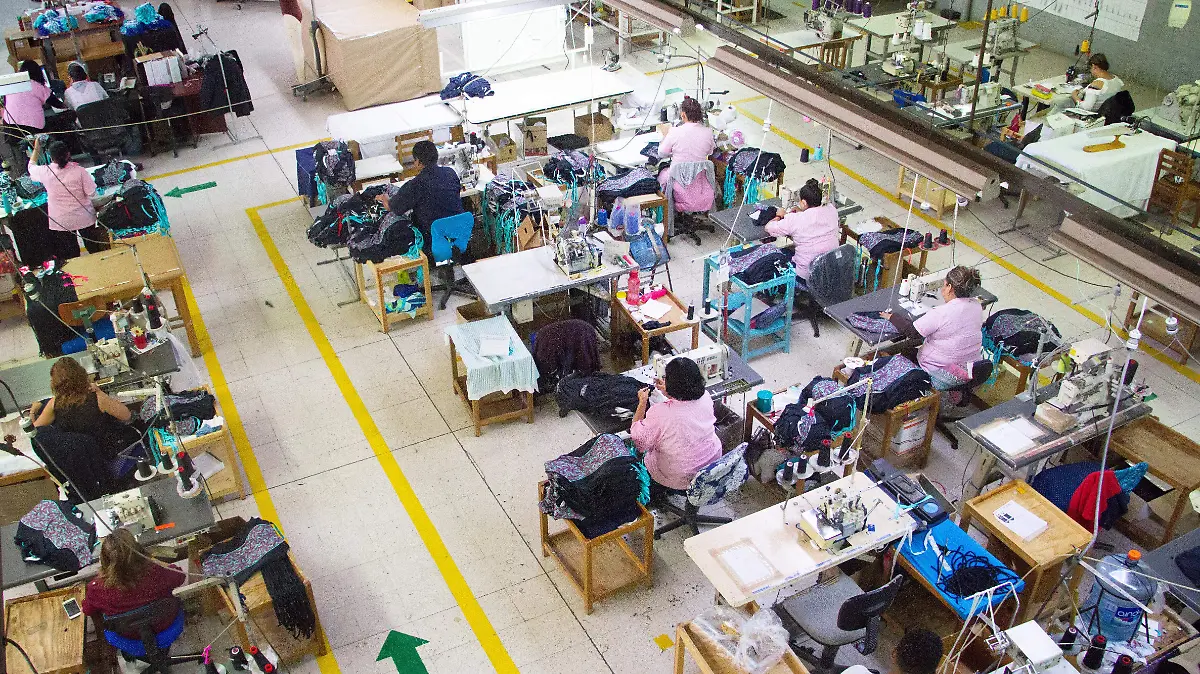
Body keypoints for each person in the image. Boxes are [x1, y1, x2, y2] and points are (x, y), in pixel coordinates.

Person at [883, 265, 984, 399]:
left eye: (944, 285)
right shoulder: (977, 306)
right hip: (969, 368)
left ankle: (914, 392)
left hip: (942, 373)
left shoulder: (941, 313)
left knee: (906, 353)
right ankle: (958, 391)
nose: (942, 289)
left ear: (950, 288)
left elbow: (912, 332)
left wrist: (892, 317)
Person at [631, 357, 722, 494]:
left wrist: (642, 402)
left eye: (666, 378)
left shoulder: (661, 413)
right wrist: (669, 393)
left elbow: (639, 441)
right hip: (711, 464)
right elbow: (685, 409)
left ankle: (657, 492)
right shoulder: (706, 397)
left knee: (644, 457)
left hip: (680, 477)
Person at [82, 528, 186, 637]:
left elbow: (87, 610)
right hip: (165, 627)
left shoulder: (97, 589)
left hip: (127, 637)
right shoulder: (157, 572)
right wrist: (152, 560)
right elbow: (180, 576)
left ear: (103, 559)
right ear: (138, 551)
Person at [30, 357, 135, 459]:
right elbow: (127, 415)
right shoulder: (97, 398)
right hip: (109, 454)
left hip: (82, 459)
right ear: (82, 375)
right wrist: (100, 392)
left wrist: (32, 413)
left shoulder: (54, 403)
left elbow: (34, 432)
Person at [376, 140, 463, 251]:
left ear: (418, 162)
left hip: (432, 237)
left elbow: (393, 208)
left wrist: (384, 197)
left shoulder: (415, 184)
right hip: (458, 230)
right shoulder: (450, 173)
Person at [28, 135, 103, 258]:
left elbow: (31, 166)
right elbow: (92, 193)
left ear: (50, 156)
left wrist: (37, 147)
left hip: (62, 221)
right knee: (95, 250)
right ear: (68, 154)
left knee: (71, 255)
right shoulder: (79, 171)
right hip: (84, 217)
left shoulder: (45, 172)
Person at [764, 178, 839, 280]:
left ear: (803, 202)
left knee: (774, 254)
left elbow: (769, 228)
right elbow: (813, 220)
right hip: (828, 270)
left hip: (806, 275)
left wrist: (779, 215)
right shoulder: (831, 210)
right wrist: (800, 212)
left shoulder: (796, 220)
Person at [657, 97, 717, 214]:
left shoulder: (675, 132)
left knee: (662, 175)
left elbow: (661, 153)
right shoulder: (708, 132)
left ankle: (663, 213)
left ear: (683, 114)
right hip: (701, 187)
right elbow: (710, 152)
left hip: (681, 186)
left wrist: (674, 150)